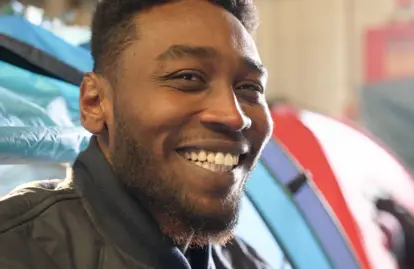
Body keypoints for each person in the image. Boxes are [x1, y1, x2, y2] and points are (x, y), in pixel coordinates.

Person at [0, 0, 273, 268]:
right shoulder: (16, 249)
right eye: (188, 78)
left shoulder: (246, 262)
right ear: (95, 103)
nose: (234, 117)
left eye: (250, 87)